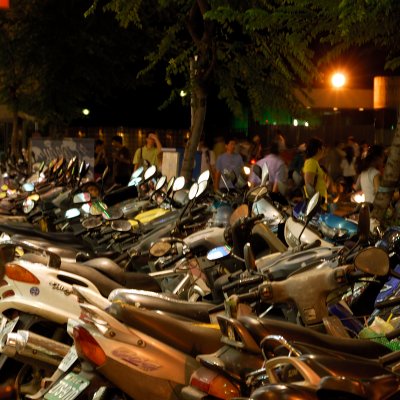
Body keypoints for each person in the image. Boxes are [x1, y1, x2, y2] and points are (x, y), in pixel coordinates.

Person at [303, 137, 328, 203]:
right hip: (316, 204)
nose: (324, 150)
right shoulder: (311, 162)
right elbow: (309, 186)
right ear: (318, 149)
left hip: (319, 203)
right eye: (322, 148)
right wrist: (317, 201)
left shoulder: (315, 162)